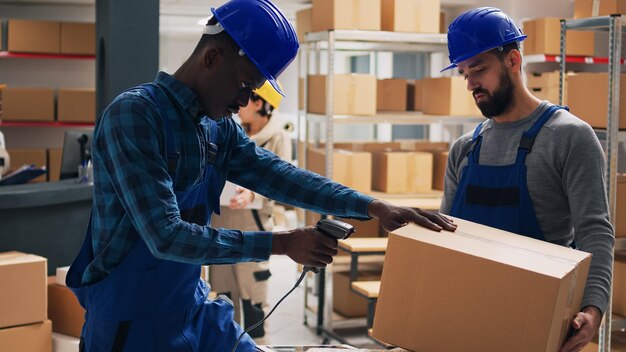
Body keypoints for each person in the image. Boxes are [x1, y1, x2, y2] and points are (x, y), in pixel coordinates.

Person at [65, 0, 456, 351]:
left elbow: (282, 177)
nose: (245, 102)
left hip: (191, 304)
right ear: (213, 57)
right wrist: (283, 243)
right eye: (244, 85)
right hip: (130, 321)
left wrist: (371, 206)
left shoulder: (216, 127)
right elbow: (164, 235)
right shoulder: (135, 115)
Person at [439, 7, 614, 352]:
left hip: (539, 323)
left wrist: (594, 309)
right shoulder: (465, 149)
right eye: (463, 74)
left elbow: (595, 231)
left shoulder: (570, 137)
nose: (471, 83)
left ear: (513, 60)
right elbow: (445, 240)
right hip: (465, 319)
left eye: (478, 69)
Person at [209, 80, 292, 342]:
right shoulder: (231, 129)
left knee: (252, 296)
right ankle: (226, 345)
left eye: (248, 98)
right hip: (221, 222)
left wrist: (253, 193)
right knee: (223, 293)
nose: (240, 104)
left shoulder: (279, 137)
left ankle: (256, 346)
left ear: (259, 104)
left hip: (253, 224)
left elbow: (283, 181)